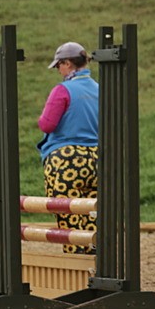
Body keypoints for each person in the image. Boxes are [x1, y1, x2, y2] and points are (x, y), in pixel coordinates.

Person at [38, 42, 99, 256]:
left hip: (66, 160)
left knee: (68, 213)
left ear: (68, 64)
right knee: (92, 213)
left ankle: (75, 258)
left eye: (59, 66)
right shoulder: (99, 89)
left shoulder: (62, 90)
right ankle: (97, 259)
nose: (58, 70)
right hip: (97, 158)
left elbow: (47, 125)